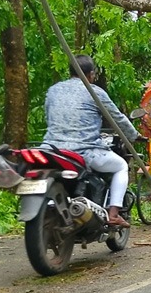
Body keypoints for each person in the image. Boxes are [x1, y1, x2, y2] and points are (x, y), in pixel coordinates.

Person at [43, 55, 139, 228]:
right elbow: (118, 118)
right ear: (91, 74)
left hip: (51, 149)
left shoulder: (53, 90)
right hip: (84, 151)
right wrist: (134, 136)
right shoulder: (95, 91)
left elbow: (48, 117)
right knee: (121, 167)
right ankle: (113, 214)